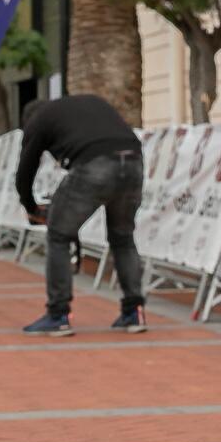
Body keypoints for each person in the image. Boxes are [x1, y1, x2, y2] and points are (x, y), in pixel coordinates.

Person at [15, 95, 148, 337]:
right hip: (133, 161)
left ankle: (58, 315)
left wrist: (32, 208)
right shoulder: (86, 103)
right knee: (123, 237)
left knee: (58, 234)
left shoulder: (38, 120)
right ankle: (133, 311)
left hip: (94, 165)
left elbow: (25, 170)